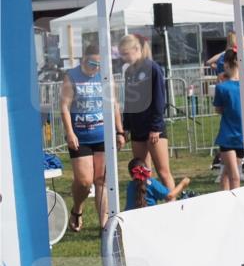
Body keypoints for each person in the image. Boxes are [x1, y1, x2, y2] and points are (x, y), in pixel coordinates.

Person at [60, 43, 125, 231]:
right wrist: (70, 132)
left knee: (101, 180)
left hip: (102, 135)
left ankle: (104, 225)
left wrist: (119, 131)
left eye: (99, 65)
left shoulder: (105, 76)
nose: (96, 68)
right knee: (84, 181)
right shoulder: (71, 76)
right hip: (80, 136)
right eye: (93, 64)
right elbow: (64, 106)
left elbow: (114, 105)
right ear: (83, 60)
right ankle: (77, 208)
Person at [119, 34, 177, 192]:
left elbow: (159, 98)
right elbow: (129, 101)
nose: (123, 58)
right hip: (137, 128)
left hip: (153, 128)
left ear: (137, 49)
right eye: (121, 54)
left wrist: (156, 127)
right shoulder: (129, 72)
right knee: (142, 172)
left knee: (163, 172)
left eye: (126, 53)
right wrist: (126, 126)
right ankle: (146, 204)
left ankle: (171, 205)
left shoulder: (152, 68)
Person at [214, 50, 244, 190]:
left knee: (231, 174)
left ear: (227, 65)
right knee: (232, 173)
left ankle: (233, 203)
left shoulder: (221, 87)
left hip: (229, 135)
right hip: (242, 135)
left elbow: (218, 109)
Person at [125, 159, 189, 210]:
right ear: (145, 169)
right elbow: (170, 196)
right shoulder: (151, 182)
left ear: (130, 174)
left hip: (130, 220)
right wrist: (183, 184)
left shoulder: (129, 186)